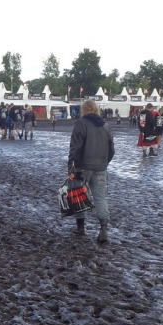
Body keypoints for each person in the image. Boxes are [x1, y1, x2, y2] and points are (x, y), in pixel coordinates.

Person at [68, 99, 115, 244]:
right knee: (100, 197)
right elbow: (111, 150)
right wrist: (104, 163)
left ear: (83, 110)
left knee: (79, 196)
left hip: (82, 166)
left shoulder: (80, 124)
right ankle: (104, 229)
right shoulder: (106, 126)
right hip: (100, 167)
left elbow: (75, 148)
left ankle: (80, 228)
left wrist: (71, 167)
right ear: (96, 109)